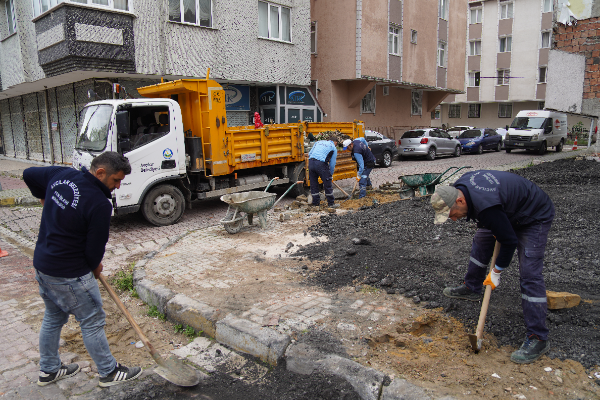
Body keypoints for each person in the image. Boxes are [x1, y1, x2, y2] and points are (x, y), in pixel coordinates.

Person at [23, 152, 143, 387]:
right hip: (69, 273)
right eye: (116, 180)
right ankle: (108, 372)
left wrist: (44, 198)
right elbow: (94, 250)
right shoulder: (99, 204)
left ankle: (49, 370)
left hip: (43, 266)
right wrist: (95, 267)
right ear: (100, 172)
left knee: (53, 317)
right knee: (92, 319)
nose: (118, 186)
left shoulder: (61, 175)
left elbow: (28, 174)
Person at [430, 170, 555, 364]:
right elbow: (495, 220)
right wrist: (499, 225)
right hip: (503, 210)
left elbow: (509, 241)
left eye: (452, 214)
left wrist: (496, 272)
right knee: (482, 240)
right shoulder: (460, 187)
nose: (453, 219)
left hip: (532, 215)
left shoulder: (486, 207)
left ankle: (538, 337)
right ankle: (472, 287)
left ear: (460, 202)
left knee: (530, 272)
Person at [308, 136, 339, 208]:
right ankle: (331, 204)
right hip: (321, 164)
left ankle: (316, 204)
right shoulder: (333, 147)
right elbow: (332, 163)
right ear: (335, 142)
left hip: (311, 162)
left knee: (314, 184)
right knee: (327, 184)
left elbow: (310, 154)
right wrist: (330, 174)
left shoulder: (318, 142)